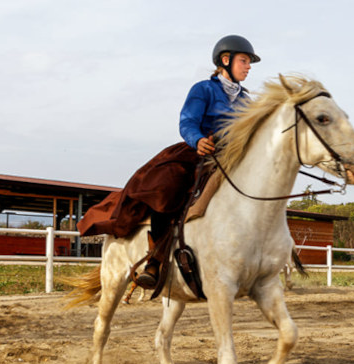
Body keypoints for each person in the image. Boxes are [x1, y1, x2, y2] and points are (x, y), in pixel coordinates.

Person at [76, 34, 260, 289]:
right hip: (199, 152)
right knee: (166, 187)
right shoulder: (203, 89)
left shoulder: (246, 101)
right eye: (244, 61)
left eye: (249, 62)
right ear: (226, 60)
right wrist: (197, 140)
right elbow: (187, 122)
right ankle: (155, 260)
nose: (249, 67)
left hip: (231, 157)